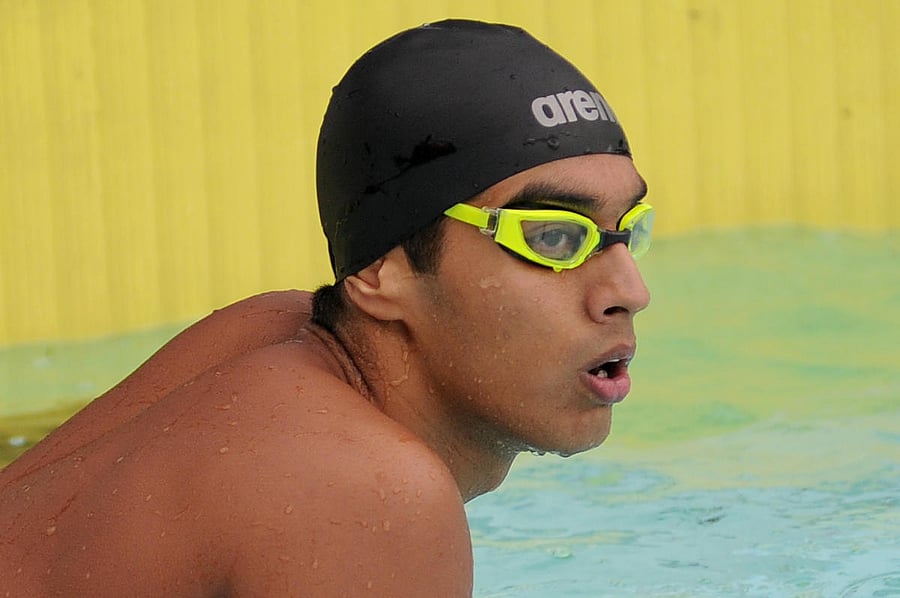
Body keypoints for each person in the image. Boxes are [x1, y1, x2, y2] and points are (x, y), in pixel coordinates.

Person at [0, 19, 652, 597]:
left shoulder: (271, 335)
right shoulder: (371, 493)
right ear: (379, 271)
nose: (629, 291)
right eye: (554, 238)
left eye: (628, 229)